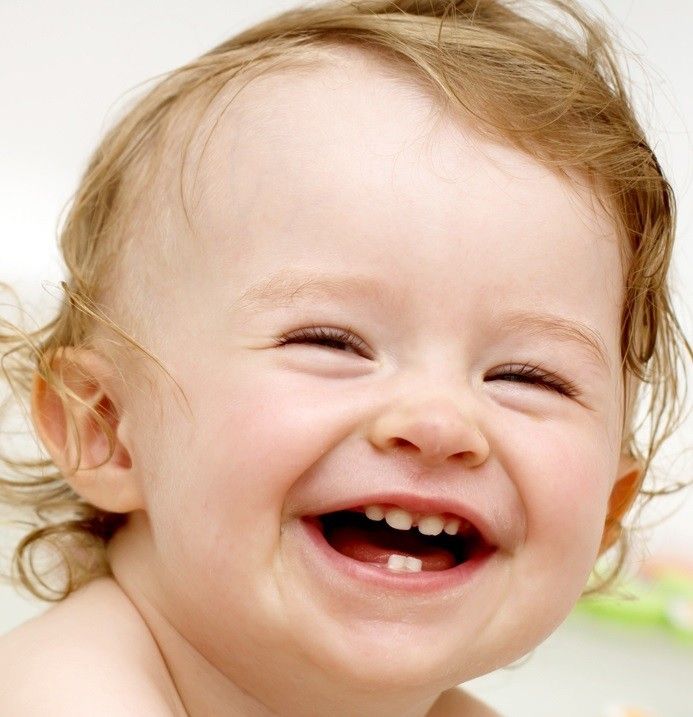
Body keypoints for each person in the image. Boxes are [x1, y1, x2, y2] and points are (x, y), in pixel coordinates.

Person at [0, 1, 689, 715]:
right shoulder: (67, 688)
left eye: (526, 376)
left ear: (609, 512)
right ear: (106, 426)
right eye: (331, 342)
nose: (439, 421)